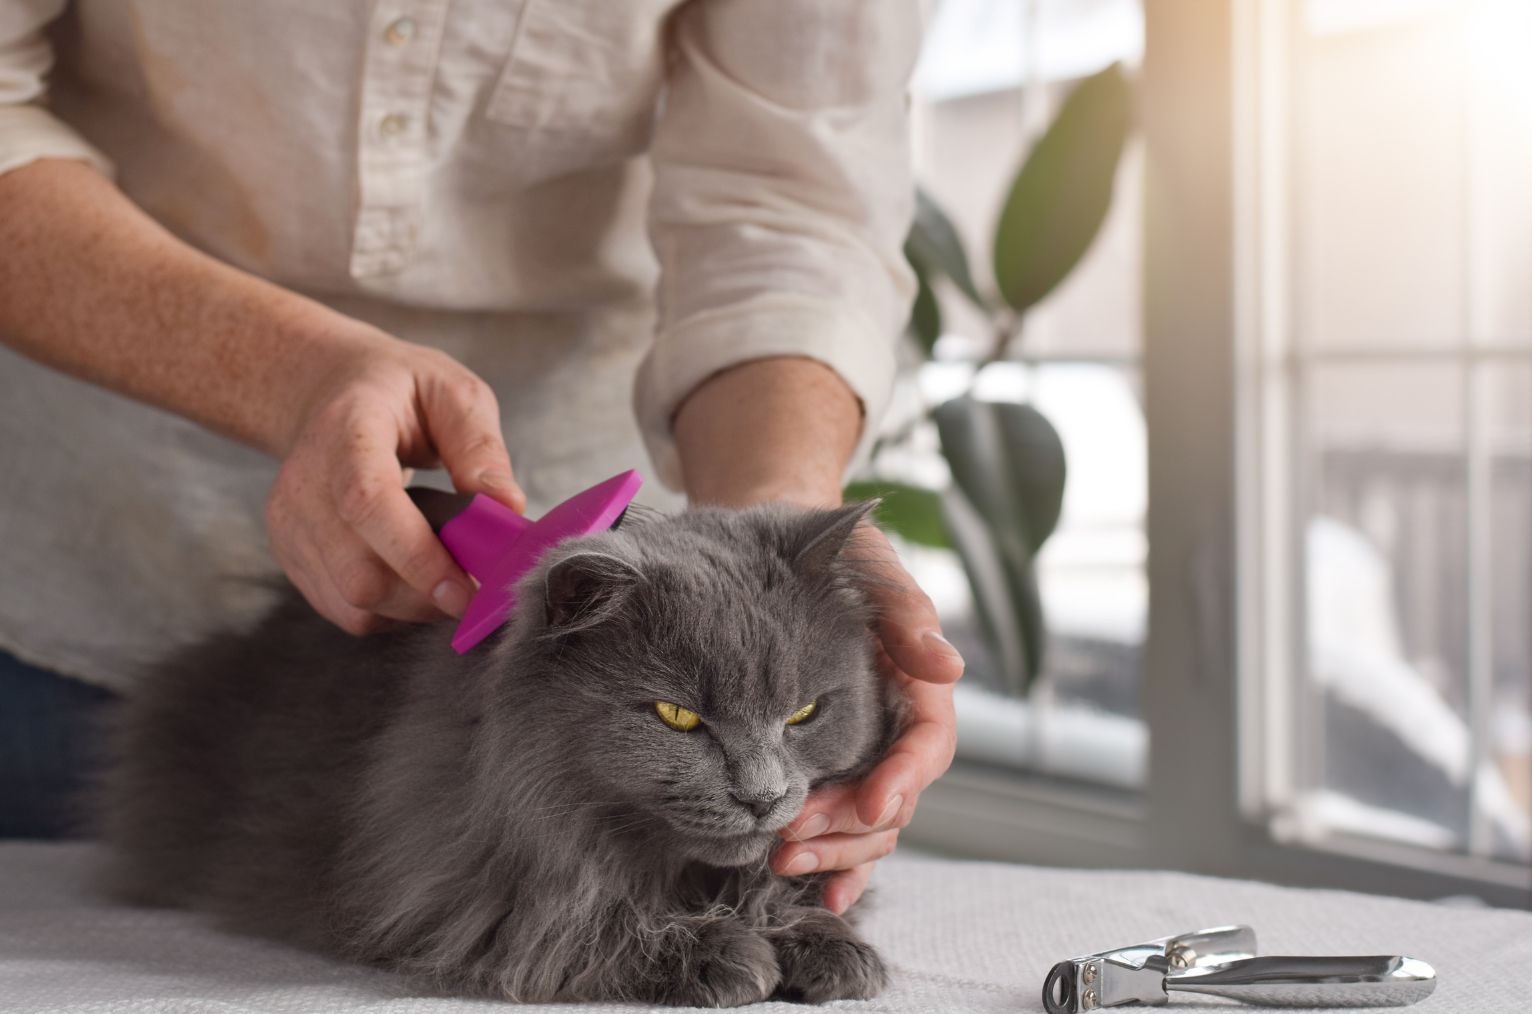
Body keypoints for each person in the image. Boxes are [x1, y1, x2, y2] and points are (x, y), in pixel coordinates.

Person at [0, 1, 961, 911]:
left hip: (609, 571)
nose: (763, 783)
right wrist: (286, 373)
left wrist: (775, 538)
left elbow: (792, 201)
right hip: (97, 530)